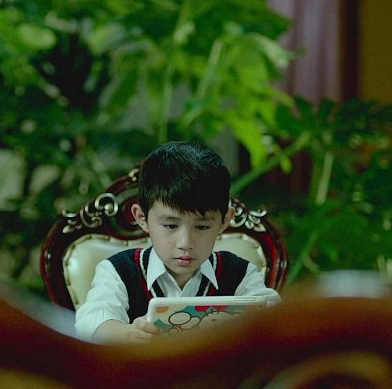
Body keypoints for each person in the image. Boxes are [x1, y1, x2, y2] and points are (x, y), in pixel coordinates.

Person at [74, 141, 281, 344]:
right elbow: (90, 323)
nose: (185, 243)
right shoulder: (119, 271)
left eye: (202, 227)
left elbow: (274, 315)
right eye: (171, 226)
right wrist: (128, 333)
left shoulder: (239, 273)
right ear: (142, 217)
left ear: (225, 220)